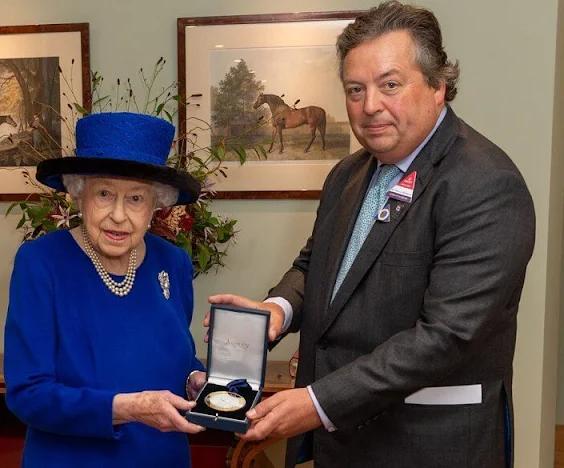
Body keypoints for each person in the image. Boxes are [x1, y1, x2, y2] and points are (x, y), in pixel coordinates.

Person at [208, 2, 536, 467]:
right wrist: (277, 311)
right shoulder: (347, 174)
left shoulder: (485, 183)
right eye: (355, 89)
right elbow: (316, 264)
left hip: (427, 444)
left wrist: (318, 402)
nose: (370, 106)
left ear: (438, 85)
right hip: (344, 443)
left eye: (390, 85)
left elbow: (446, 336)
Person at [4, 112, 208, 468]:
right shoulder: (41, 262)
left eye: (135, 199)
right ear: (79, 195)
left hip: (162, 456)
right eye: (103, 193)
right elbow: (28, 394)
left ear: (155, 206)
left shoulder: (172, 262)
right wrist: (127, 409)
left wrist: (194, 378)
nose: (118, 215)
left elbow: (177, 352)